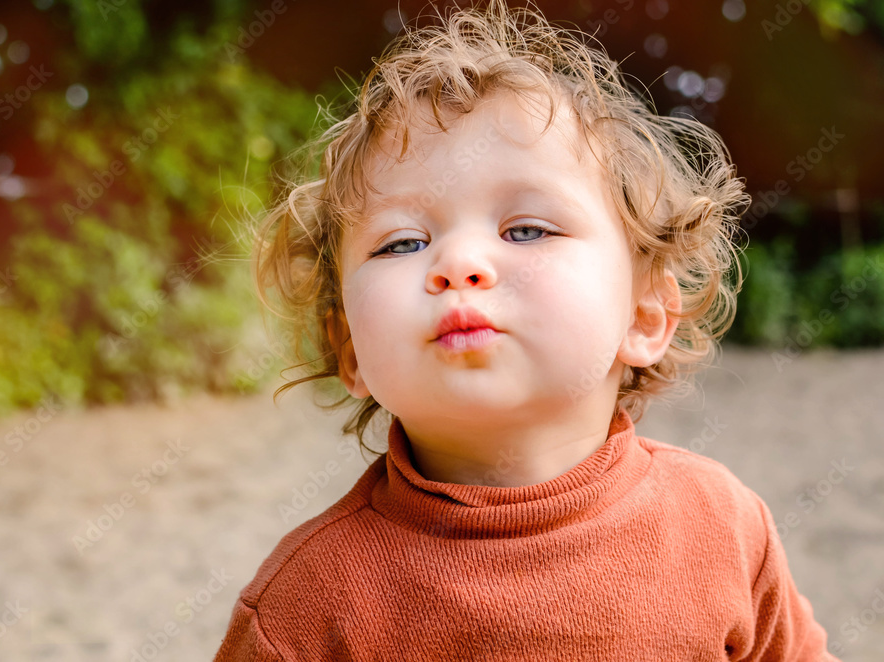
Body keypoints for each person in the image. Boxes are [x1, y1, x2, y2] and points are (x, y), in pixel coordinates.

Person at [213, 1, 838, 659]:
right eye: (401, 243)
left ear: (645, 315)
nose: (458, 265)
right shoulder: (303, 608)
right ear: (349, 349)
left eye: (527, 230)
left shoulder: (722, 526)